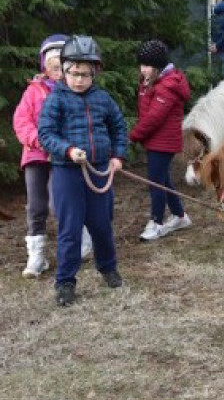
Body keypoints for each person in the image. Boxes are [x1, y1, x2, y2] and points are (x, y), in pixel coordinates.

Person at [38, 36, 126, 307]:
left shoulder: (103, 99)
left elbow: (118, 127)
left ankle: (108, 268)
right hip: (67, 173)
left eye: (84, 75)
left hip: (99, 170)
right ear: (63, 71)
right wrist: (67, 150)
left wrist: (117, 156)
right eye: (73, 74)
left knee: (101, 225)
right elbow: (45, 133)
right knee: (70, 229)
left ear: (95, 73)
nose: (78, 80)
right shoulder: (56, 100)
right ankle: (65, 282)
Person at [13, 35, 92, 277]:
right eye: (52, 65)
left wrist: (65, 145)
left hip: (63, 156)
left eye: (62, 64)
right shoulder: (33, 92)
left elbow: (80, 123)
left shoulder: (75, 93)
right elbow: (21, 121)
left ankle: (81, 238)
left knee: (60, 203)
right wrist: (40, 140)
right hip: (36, 155)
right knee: (36, 206)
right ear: (45, 66)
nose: (57, 70)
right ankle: (36, 256)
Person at [130, 40, 192, 241]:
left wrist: (134, 136)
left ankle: (156, 222)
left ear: (158, 67)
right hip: (155, 140)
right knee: (163, 179)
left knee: (155, 182)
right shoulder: (151, 81)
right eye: (142, 65)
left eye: (147, 66)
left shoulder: (168, 86)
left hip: (163, 142)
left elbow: (153, 118)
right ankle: (180, 216)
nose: (143, 69)